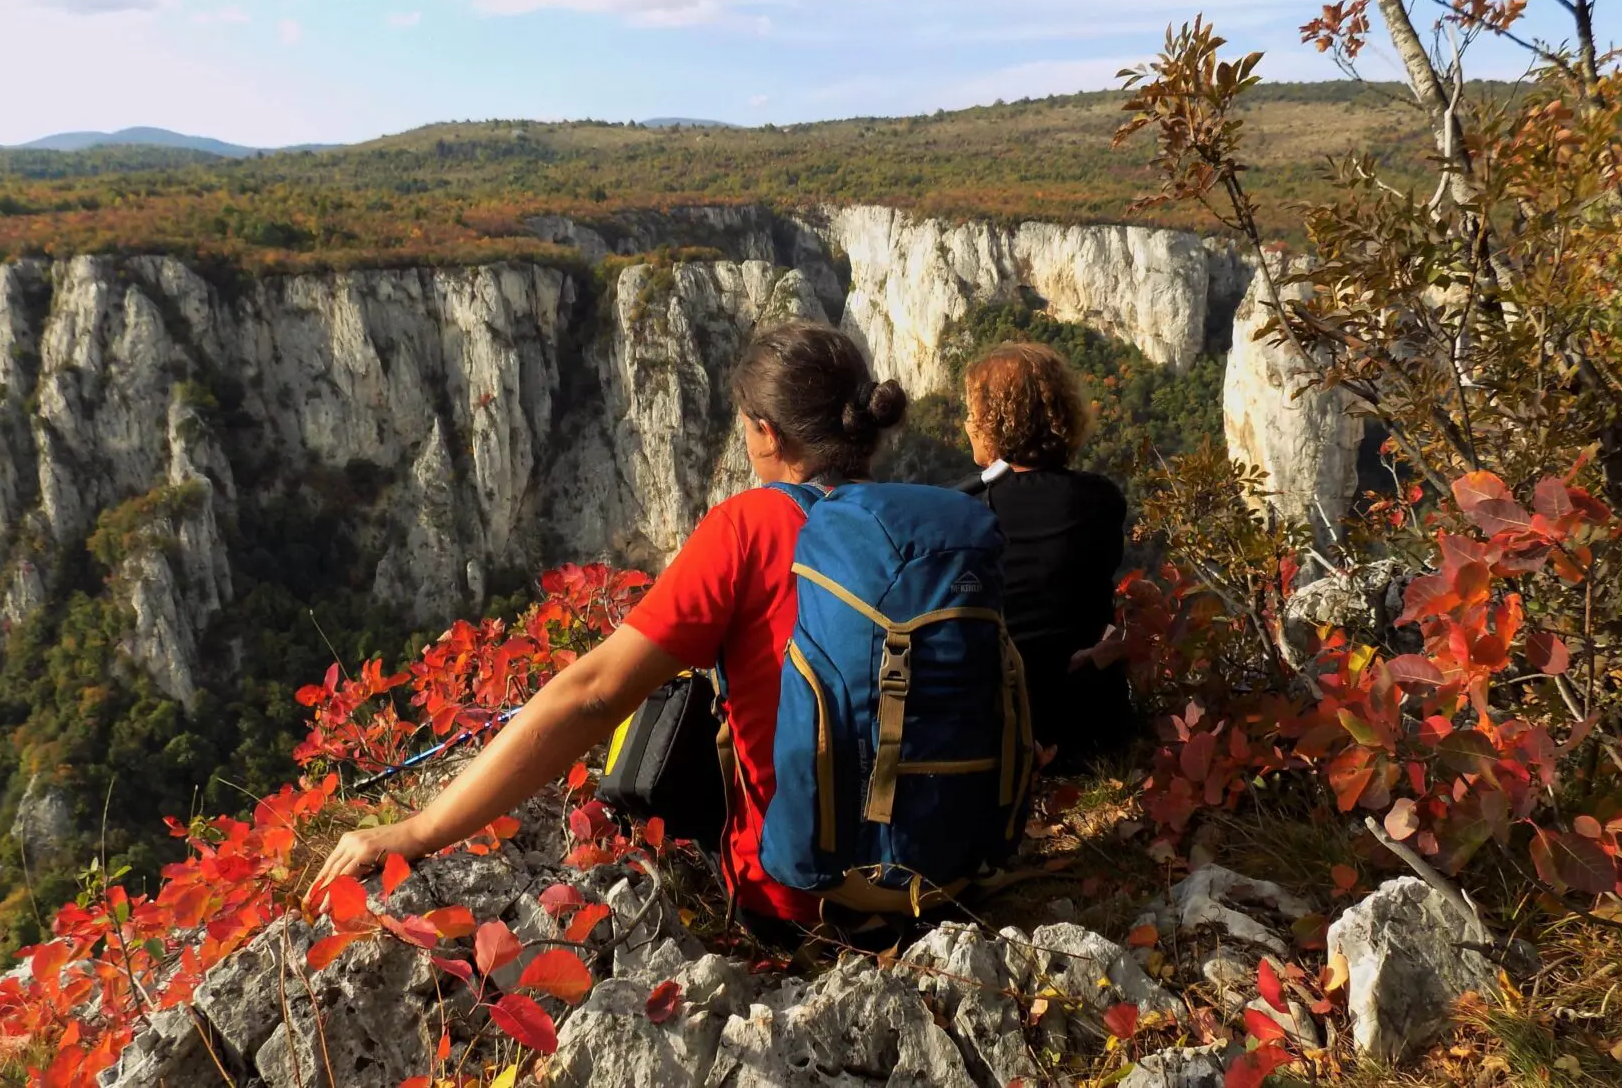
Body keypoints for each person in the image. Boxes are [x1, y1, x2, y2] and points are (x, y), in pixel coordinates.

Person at [313, 320, 909, 926]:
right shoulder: (931, 529)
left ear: (767, 434)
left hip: (800, 902)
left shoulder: (748, 528)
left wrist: (420, 829)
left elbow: (593, 696)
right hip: (939, 873)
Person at [957, 341, 1131, 771]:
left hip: (1000, 735)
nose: (965, 424)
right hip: (1088, 723)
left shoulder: (968, 512)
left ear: (996, 423)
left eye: (972, 414)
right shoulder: (1101, 499)